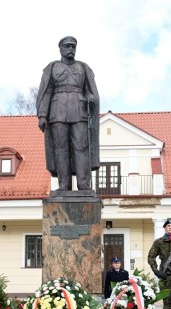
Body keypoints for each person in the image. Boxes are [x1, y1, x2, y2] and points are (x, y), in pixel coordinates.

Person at [36, 36, 100, 194]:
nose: (71, 49)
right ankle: (64, 184)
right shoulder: (52, 67)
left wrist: (92, 99)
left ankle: (83, 184)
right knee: (60, 148)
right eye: (68, 46)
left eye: (73, 46)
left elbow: (92, 92)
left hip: (79, 110)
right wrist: (42, 115)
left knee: (81, 147)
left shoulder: (83, 67)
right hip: (57, 110)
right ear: (61, 49)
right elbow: (46, 91)